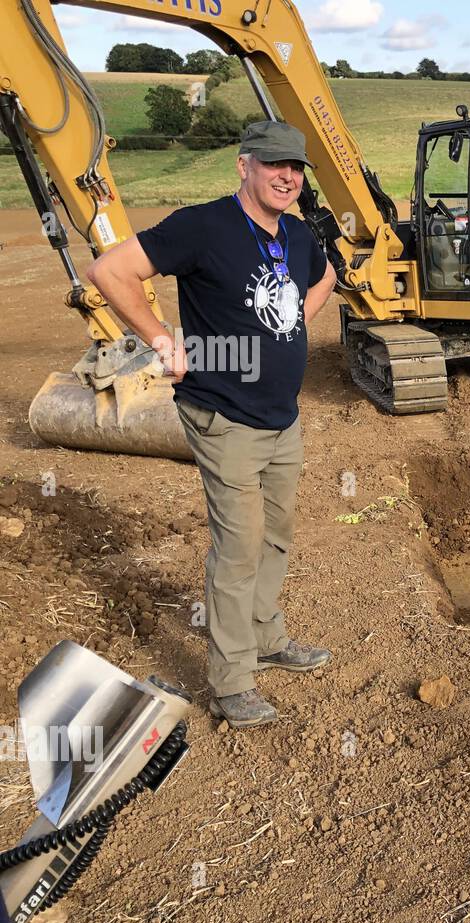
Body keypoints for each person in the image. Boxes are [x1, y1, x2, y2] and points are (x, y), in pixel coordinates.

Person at [85, 121, 337, 730]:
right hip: (223, 414)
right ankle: (231, 681)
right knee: (240, 546)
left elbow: (326, 275)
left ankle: (266, 636)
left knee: (277, 535)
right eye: (275, 165)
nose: (288, 176)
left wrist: (294, 321)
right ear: (244, 165)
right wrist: (161, 340)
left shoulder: (299, 235)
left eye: (296, 168)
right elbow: (109, 271)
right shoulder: (203, 226)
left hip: (282, 418)